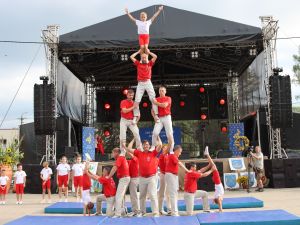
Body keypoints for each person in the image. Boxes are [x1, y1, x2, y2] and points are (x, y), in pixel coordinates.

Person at [126, 139, 162, 217]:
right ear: (142, 146)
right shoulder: (139, 153)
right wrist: (133, 139)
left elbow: (160, 146)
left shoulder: (153, 153)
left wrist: (157, 137)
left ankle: (155, 212)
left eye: (147, 144)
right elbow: (128, 148)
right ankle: (142, 212)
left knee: (152, 195)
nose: (146, 146)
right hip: (142, 178)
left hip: (151, 178)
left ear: (149, 146)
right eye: (144, 144)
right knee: (142, 196)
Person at [130, 50, 159, 124]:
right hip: (140, 83)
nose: (144, 58)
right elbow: (131, 57)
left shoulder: (150, 64)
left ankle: (156, 115)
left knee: (153, 99)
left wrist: (149, 52)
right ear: (141, 58)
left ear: (147, 58)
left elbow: (155, 56)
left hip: (148, 82)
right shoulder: (138, 64)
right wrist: (138, 52)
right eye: (142, 57)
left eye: (145, 57)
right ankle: (135, 116)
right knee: (137, 100)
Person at [165, 145, 189, 216]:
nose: (180, 154)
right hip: (171, 175)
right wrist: (187, 170)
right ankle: (174, 212)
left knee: (175, 193)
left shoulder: (173, 156)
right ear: (176, 150)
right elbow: (180, 164)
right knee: (173, 194)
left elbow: (179, 164)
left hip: (173, 175)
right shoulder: (172, 155)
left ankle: (174, 210)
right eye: (180, 152)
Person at [107, 148, 130, 218]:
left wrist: (108, 177)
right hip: (124, 178)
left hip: (124, 178)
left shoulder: (120, 158)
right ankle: (122, 212)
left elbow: (114, 168)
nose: (112, 154)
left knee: (118, 197)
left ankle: (118, 214)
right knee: (121, 196)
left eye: (113, 153)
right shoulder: (121, 158)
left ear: (116, 153)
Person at [151, 86, 174, 153]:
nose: (161, 92)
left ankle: (171, 150)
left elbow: (164, 105)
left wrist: (156, 103)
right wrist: (154, 116)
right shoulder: (156, 99)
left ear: (165, 91)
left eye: (162, 90)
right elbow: (152, 110)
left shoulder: (168, 98)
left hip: (167, 117)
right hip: (159, 118)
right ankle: (153, 146)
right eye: (160, 90)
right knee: (155, 132)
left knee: (169, 134)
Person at [204, 147, 225, 212]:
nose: (221, 199)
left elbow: (218, 199)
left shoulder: (218, 196)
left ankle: (207, 154)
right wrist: (214, 201)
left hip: (218, 182)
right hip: (217, 182)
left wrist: (220, 208)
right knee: (213, 166)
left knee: (214, 166)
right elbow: (215, 200)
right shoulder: (216, 196)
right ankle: (207, 154)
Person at [126, 140, 140, 217]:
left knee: (134, 195)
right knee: (133, 195)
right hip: (133, 179)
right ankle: (135, 210)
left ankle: (136, 211)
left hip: (135, 179)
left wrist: (133, 139)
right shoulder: (132, 160)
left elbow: (128, 149)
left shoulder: (136, 158)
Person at [157, 142, 171, 215]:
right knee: (162, 193)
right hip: (163, 175)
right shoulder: (162, 156)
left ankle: (169, 209)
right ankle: (160, 209)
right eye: (163, 148)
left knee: (168, 193)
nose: (164, 149)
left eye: (165, 148)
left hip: (169, 175)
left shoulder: (169, 156)